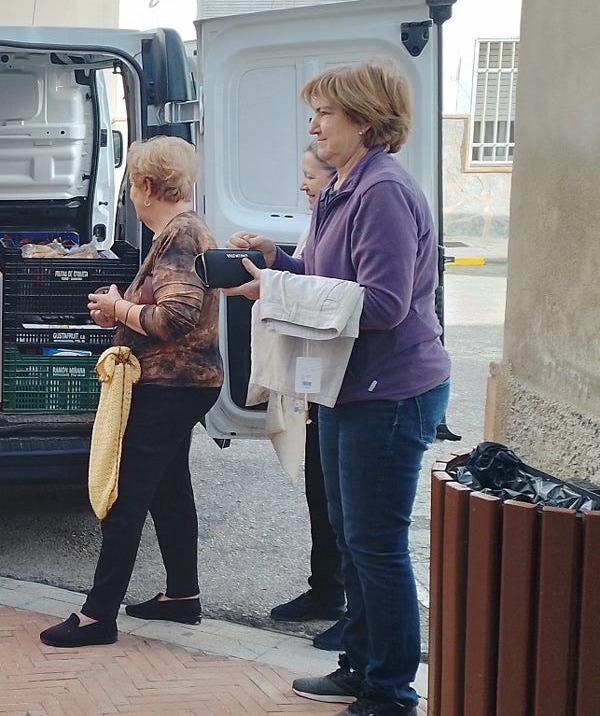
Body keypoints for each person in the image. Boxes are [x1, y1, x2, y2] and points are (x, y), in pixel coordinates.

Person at [226, 59, 451, 716]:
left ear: (365, 119)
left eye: (325, 112)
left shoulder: (382, 192)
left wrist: (275, 289)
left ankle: (390, 692)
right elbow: (325, 275)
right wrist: (276, 260)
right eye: (315, 112)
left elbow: (381, 304)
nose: (313, 124)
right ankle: (360, 666)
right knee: (351, 535)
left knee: (376, 545)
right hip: (351, 388)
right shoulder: (342, 188)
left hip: (391, 393)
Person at [38, 135, 224, 648]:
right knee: (169, 489)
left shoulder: (181, 234)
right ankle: (182, 595)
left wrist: (120, 310)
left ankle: (99, 615)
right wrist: (119, 309)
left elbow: (176, 315)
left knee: (126, 493)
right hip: (186, 382)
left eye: (131, 186)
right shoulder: (184, 229)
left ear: (145, 185)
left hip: (170, 383)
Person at [268, 140, 349, 652]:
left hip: (350, 382)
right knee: (321, 493)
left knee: (351, 513)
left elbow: (341, 295)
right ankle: (326, 593)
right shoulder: (317, 223)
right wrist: (273, 260)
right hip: (322, 380)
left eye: (310, 176)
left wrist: (272, 284)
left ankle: (355, 614)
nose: (303, 184)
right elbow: (309, 279)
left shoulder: (368, 205)